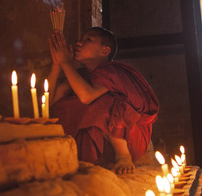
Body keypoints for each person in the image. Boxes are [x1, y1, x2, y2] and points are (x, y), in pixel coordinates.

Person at [49, 27, 159, 174]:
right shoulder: (81, 76)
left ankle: (123, 156)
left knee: (101, 99)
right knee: (66, 104)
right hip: (103, 145)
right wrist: (57, 65)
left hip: (131, 138)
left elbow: (87, 96)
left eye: (88, 39)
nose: (79, 43)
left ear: (105, 51)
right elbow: (48, 105)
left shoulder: (111, 70)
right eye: (81, 39)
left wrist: (66, 63)